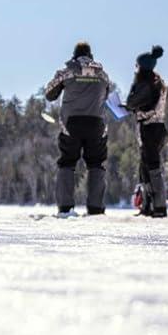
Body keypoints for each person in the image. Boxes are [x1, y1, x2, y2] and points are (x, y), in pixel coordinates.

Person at [44, 41, 116, 215]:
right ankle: (96, 208)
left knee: (67, 162)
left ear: (74, 56)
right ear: (91, 56)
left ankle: (65, 207)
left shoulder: (67, 72)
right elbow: (106, 95)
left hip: (72, 124)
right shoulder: (103, 75)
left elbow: (49, 94)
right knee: (96, 164)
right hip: (96, 124)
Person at [125, 46, 168, 218]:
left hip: (149, 128)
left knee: (151, 166)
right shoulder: (158, 82)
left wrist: (131, 96)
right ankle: (149, 205)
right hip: (158, 127)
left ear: (142, 67)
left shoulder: (145, 84)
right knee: (146, 166)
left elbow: (132, 102)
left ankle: (158, 207)